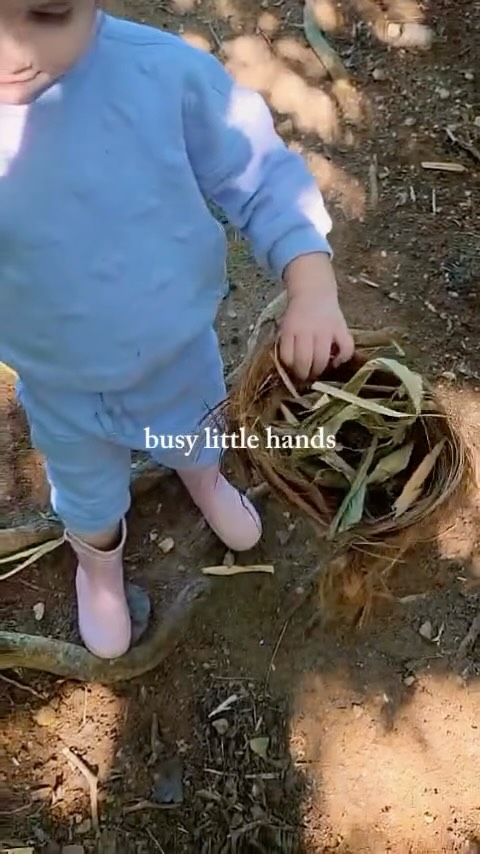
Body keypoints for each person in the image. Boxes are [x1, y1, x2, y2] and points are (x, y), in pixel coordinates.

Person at [0, 0, 354, 659]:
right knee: (86, 490)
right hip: (57, 378)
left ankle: (204, 477)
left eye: (49, 13)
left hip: (173, 351)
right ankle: (99, 565)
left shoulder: (160, 75)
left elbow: (258, 170)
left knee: (191, 429)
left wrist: (311, 284)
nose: (16, 50)